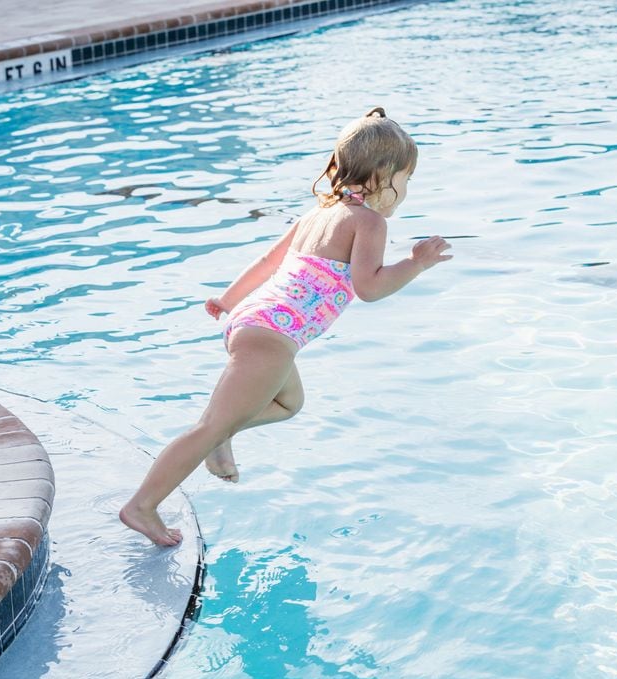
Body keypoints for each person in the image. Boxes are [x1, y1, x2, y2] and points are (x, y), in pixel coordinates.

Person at [119, 107, 453, 546]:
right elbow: (369, 288)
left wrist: (227, 300)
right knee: (208, 426)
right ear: (384, 174)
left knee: (288, 404)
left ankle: (222, 438)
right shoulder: (367, 222)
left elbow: (267, 263)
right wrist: (414, 263)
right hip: (272, 338)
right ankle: (142, 505)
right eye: (406, 179)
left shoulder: (317, 215)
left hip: (257, 323)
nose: (405, 190)